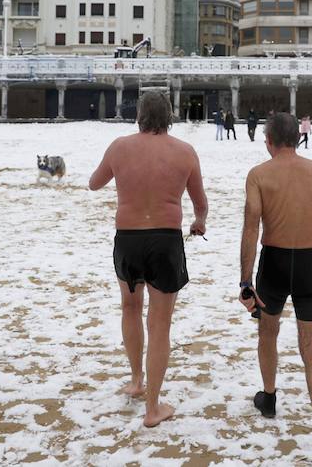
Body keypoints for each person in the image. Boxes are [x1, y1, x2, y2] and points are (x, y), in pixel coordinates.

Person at [89, 91, 208, 428]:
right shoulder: (184, 152)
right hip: (165, 240)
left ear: (138, 116)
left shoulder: (120, 147)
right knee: (160, 324)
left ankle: (136, 379)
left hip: (128, 239)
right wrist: (199, 223)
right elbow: (200, 202)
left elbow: (94, 184)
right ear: (169, 116)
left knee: (129, 308)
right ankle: (153, 407)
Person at [239, 113, 312, 467]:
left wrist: (245, 281)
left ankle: (268, 398)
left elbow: (251, 228)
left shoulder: (259, 175)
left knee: (268, 332)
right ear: (297, 138)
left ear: (268, 140)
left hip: (275, 263)